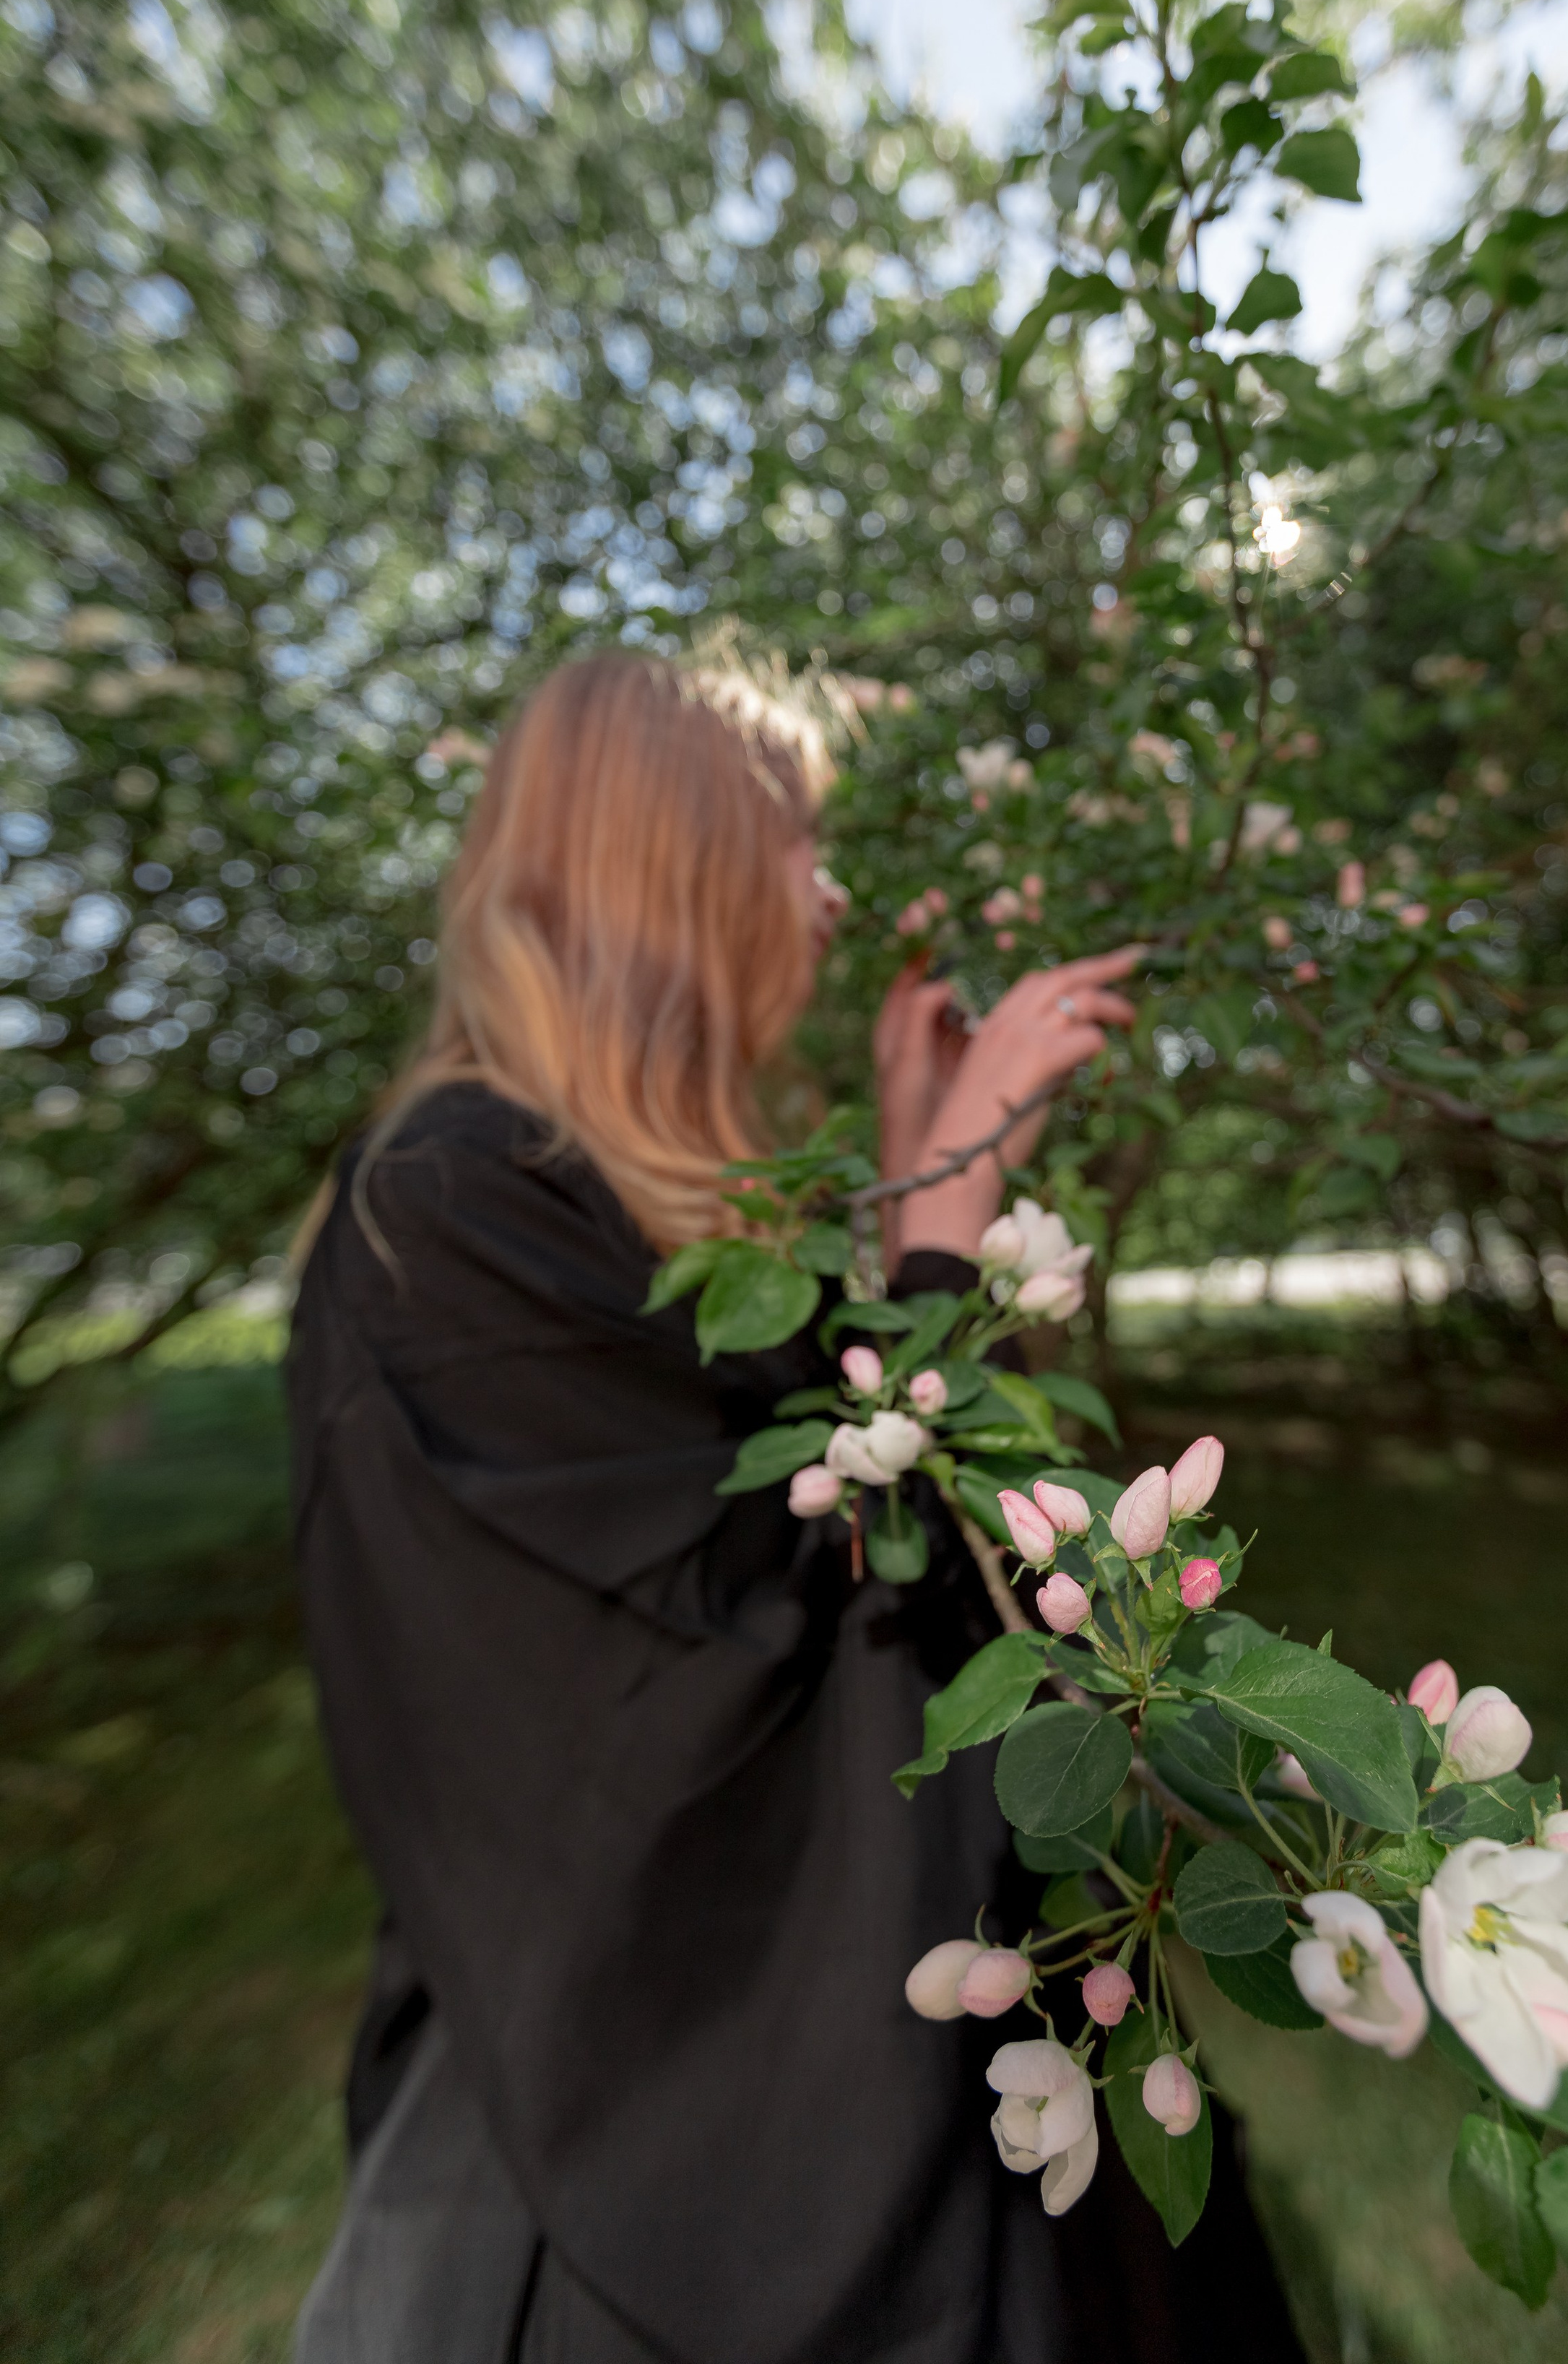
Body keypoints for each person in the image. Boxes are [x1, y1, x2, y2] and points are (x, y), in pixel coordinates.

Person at [289, 646, 1307, 2363]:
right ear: (668, 868)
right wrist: (948, 1227)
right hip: (677, 2127)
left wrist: (915, 1169)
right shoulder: (451, 1214)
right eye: (793, 845)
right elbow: (712, 1659)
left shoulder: (621, 1208)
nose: (830, 898)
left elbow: (829, 1488)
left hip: (895, 2022)